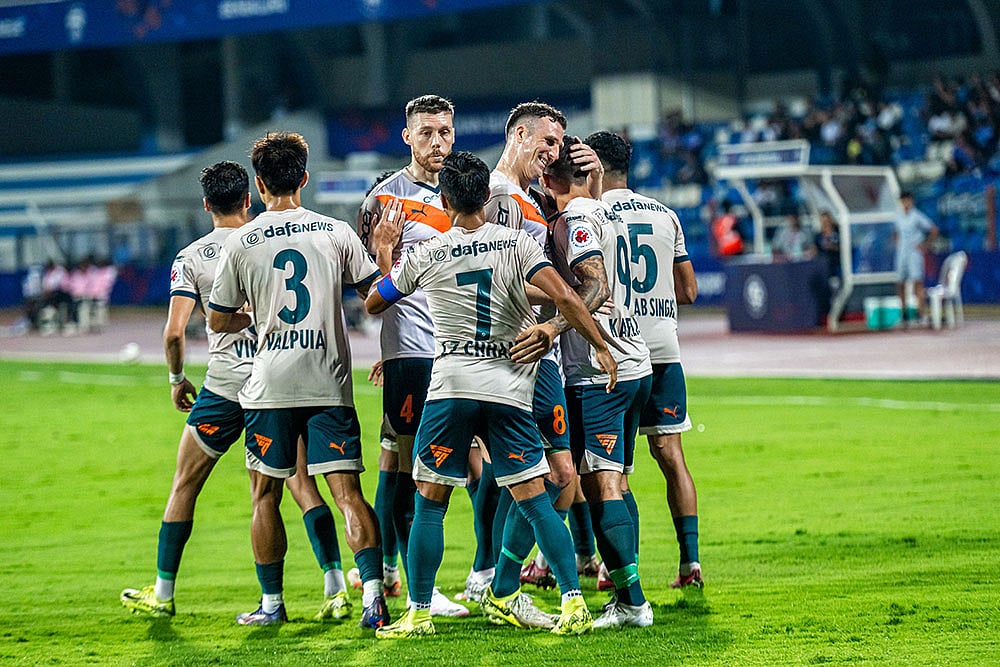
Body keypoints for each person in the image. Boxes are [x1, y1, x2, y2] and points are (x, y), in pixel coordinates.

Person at [365, 151, 615, 638]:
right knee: (537, 501)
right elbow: (567, 296)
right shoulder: (517, 245)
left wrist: (385, 256)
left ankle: (417, 612)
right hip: (509, 383)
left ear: (444, 199)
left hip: (452, 384)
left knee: (430, 501)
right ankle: (573, 603)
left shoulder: (428, 253)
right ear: (486, 195)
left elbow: (376, 301)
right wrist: (600, 347)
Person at [120, 161, 353, 623]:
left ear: (207, 204)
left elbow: (173, 332)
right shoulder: (269, 240)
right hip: (277, 382)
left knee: (185, 484)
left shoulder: (193, 256)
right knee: (302, 486)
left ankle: (164, 593)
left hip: (226, 386)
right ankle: (335, 588)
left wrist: (176, 379)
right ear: (248, 198)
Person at [207, 134, 388, 628]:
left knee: (265, 495)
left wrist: (251, 319)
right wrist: (388, 256)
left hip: (271, 386)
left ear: (259, 184)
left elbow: (218, 318)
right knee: (347, 492)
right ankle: (373, 595)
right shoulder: (334, 232)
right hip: (329, 382)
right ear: (304, 178)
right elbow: (378, 296)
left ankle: (272, 605)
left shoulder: (241, 241)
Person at [479, 101, 605, 599]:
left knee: (555, 474)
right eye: (546, 142)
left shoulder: (532, 201)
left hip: (540, 353)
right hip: (513, 353)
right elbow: (494, 276)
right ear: (519, 134)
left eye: (558, 146)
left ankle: (502, 580)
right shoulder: (499, 197)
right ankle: (495, 579)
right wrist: (563, 301)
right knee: (538, 475)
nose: (553, 154)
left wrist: (591, 189)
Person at [354, 95, 469, 618]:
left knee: (480, 464)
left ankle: (485, 574)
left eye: (444, 131)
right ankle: (411, 582)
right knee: (411, 468)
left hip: (468, 348)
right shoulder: (384, 201)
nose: (437, 142)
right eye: (426, 133)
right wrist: (381, 254)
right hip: (414, 353)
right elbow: (370, 295)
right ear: (406, 137)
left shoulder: (468, 192)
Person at [541, 137, 655, 629]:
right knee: (613, 480)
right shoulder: (609, 209)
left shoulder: (575, 221)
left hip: (598, 371)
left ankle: (633, 603)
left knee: (602, 482)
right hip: (637, 363)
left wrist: (553, 324)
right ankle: (626, 590)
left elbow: (595, 285)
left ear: (548, 181)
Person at [587, 130, 704, 590]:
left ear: (593, 165)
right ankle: (690, 563)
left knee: (613, 467)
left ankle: (617, 569)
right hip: (665, 350)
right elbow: (690, 291)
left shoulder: (592, 214)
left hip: (618, 352)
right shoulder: (665, 214)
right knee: (672, 455)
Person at [894, 191, 938, 326]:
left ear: (911, 201)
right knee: (900, 282)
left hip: (914, 252)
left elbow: (933, 229)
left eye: (907, 200)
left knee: (917, 282)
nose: (905, 203)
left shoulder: (917, 216)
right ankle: (903, 314)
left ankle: (921, 313)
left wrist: (925, 245)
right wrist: (897, 242)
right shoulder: (898, 216)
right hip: (902, 253)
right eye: (903, 201)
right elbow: (895, 232)